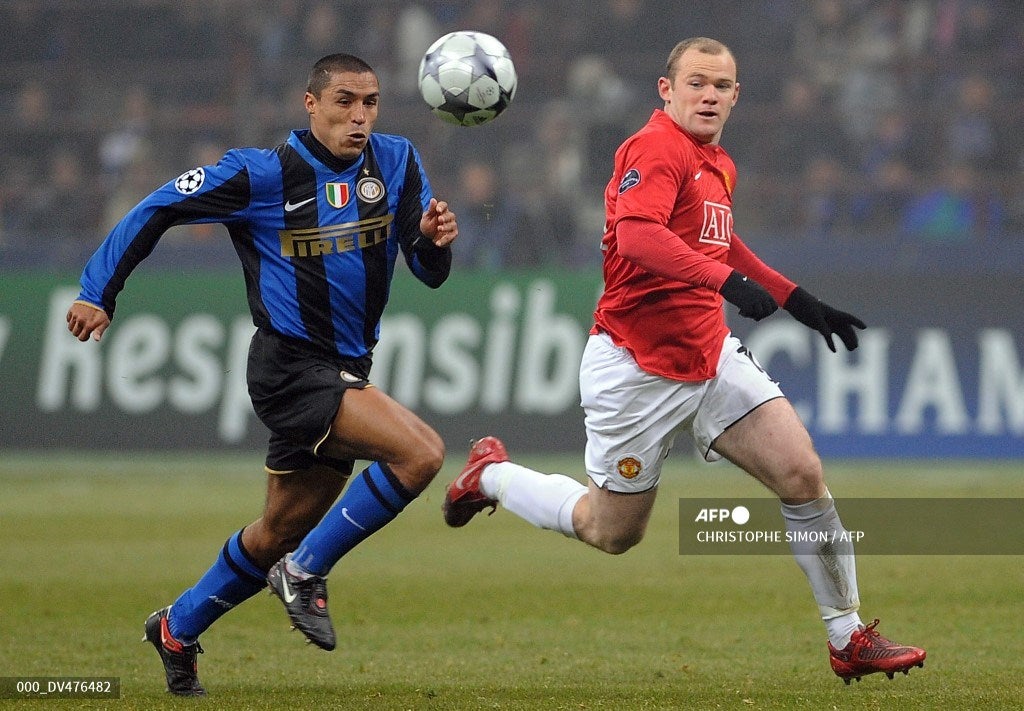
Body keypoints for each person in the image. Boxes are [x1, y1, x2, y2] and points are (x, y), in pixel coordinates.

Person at [442, 37, 926, 684]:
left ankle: (848, 636)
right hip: (636, 368)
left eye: (721, 85)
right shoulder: (654, 148)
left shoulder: (717, 162)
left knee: (802, 472)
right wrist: (726, 284)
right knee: (611, 530)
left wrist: (796, 299)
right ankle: (493, 476)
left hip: (709, 354)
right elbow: (638, 236)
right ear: (666, 90)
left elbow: (723, 243)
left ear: (736, 96)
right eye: (696, 82)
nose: (709, 95)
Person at [66, 53, 458, 697]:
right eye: (344, 102)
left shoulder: (397, 161)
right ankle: (304, 574)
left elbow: (427, 270)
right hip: (290, 368)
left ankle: (177, 628)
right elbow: (158, 208)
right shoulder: (261, 173)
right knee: (421, 454)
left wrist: (435, 242)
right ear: (311, 104)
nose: (358, 117)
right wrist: (96, 292)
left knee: (276, 532)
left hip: (347, 366)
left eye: (369, 103)